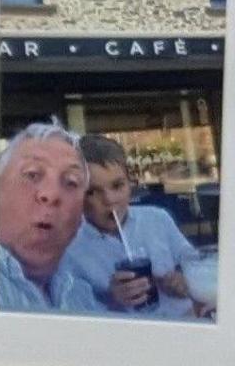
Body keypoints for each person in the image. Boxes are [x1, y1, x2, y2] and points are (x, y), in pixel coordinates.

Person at [61, 134, 211, 320]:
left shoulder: (157, 219)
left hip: (184, 324)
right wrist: (111, 300)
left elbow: (195, 261)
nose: (109, 200)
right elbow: (72, 317)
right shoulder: (68, 251)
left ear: (130, 182)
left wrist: (184, 279)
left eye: (117, 186)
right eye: (92, 192)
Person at [0, 122, 108, 313]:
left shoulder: (81, 296)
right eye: (32, 175)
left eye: (71, 182)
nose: (52, 194)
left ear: (80, 218)